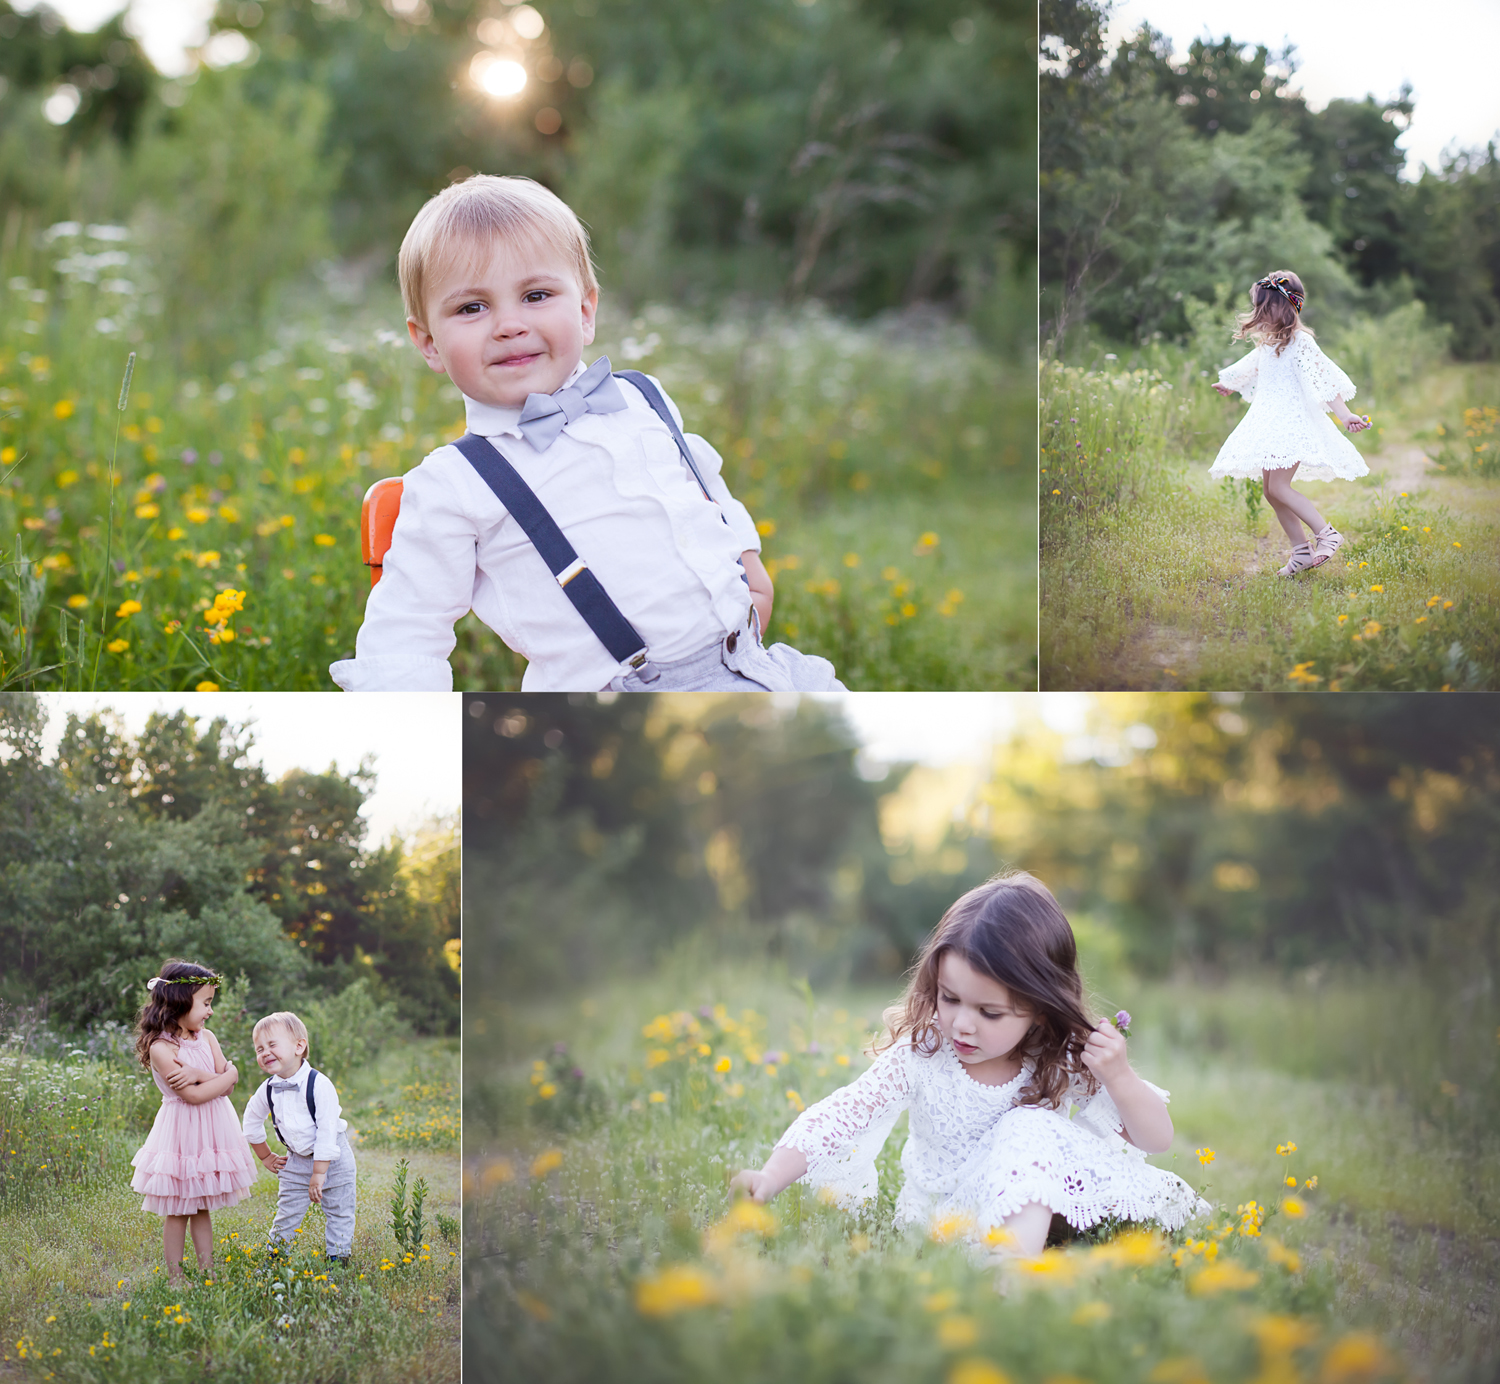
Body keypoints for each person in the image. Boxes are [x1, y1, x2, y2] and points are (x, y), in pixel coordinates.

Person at [330, 174, 843, 693]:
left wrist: (748, 565)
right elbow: (405, 634)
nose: (509, 324)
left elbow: (700, 480)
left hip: (751, 662)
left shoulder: (642, 396)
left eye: (535, 294)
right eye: (471, 307)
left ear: (585, 310)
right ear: (429, 344)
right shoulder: (453, 485)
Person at [729, 873, 1208, 1257]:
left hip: (1024, 1206)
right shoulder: (923, 1055)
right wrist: (770, 1176)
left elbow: (1155, 1139)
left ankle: (1021, 1261)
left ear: (1041, 1007)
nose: (961, 1024)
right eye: (949, 998)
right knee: (1029, 1127)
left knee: (1030, 1127)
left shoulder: (1055, 1058)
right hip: (945, 1220)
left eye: (989, 1012)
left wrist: (1119, 1077)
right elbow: (843, 1114)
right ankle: (1009, 1275)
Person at [1207, 270, 1372, 576]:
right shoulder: (1268, 344)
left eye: (1263, 308)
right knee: (1271, 491)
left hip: (1291, 423)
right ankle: (1301, 553)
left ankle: (1327, 535)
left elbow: (1325, 380)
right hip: (1270, 423)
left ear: (1281, 309)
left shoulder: (1301, 343)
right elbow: (1251, 367)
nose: (1258, 314)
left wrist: (1345, 414)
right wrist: (1231, 382)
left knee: (1280, 487)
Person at [129, 960, 258, 1282]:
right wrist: (226, 1074)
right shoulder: (162, 1047)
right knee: (178, 1207)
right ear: (180, 1001)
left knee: (201, 1205)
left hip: (211, 1129)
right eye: (206, 1003)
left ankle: (208, 1271)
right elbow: (196, 1096)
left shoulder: (207, 1037)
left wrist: (215, 1075)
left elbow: (226, 1086)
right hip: (182, 1130)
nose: (210, 1011)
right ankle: (175, 1276)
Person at [241, 1011, 358, 1264]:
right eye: (259, 1048)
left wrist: (319, 1172)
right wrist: (265, 1156)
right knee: (287, 1211)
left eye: (272, 1045)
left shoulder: (319, 1084)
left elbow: (327, 1131)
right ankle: (276, 1258)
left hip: (333, 1158)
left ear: (299, 1046)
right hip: (295, 1160)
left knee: (339, 1210)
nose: (265, 1052)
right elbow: (250, 1122)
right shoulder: (268, 1088)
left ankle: (338, 1259)